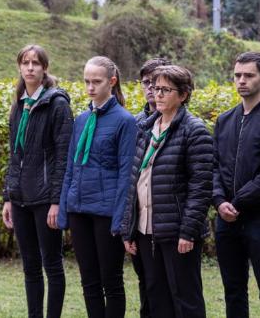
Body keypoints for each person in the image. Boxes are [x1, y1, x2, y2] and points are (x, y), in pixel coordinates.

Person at [121, 65, 212, 318]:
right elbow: (134, 182)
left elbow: (201, 188)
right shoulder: (146, 128)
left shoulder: (194, 131)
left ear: (183, 95)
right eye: (155, 88)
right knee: (156, 296)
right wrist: (129, 228)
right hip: (146, 230)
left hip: (177, 233)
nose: (157, 94)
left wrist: (188, 232)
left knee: (185, 299)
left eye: (165, 90)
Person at [57, 56, 136, 318]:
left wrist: (120, 220)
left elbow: (127, 174)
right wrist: (65, 210)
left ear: (112, 82)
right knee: (88, 281)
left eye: (97, 82)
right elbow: (71, 167)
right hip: (80, 209)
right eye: (87, 81)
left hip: (106, 213)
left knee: (111, 281)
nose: (90, 87)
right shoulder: (81, 120)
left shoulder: (125, 121)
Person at [1, 45, 73, 318]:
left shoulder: (57, 104)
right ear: (19, 67)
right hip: (20, 198)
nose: (30, 67)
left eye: (36, 63)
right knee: (30, 266)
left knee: (52, 265)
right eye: (25, 62)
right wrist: (8, 196)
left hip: (45, 199)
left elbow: (63, 158)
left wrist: (57, 201)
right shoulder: (19, 104)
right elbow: (14, 154)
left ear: (44, 68)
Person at [212, 52, 260, 318]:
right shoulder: (224, 120)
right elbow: (214, 167)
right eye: (237, 75)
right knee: (233, 290)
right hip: (226, 221)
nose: (241, 81)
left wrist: (237, 202)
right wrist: (220, 202)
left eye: (249, 75)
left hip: (257, 218)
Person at [131, 57, 170, 317]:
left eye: (157, 83)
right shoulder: (134, 123)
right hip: (137, 218)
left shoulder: (179, 122)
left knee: (165, 285)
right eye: (147, 82)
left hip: (165, 219)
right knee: (144, 280)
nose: (151, 89)